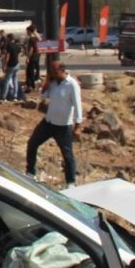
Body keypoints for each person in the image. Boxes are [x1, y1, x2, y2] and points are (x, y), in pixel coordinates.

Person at [26, 60, 84, 189]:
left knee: (67, 154)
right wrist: (47, 81)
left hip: (63, 126)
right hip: (49, 122)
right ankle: (30, 172)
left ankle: (70, 182)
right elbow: (43, 95)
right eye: (50, 71)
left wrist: (78, 125)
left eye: (54, 71)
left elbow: (78, 106)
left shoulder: (72, 85)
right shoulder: (53, 83)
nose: (51, 73)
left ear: (62, 70)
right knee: (32, 143)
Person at [1, 34, 22, 102]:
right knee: (15, 80)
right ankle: (15, 96)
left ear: (9, 39)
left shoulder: (8, 46)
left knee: (7, 80)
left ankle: (4, 96)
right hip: (17, 64)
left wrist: (4, 65)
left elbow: (7, 56)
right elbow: (20, 52)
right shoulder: (16, 46)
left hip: (11, 65)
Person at [24, 25, 42, 92]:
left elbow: (31, 49)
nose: (26, 32)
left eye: (27, 31)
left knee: (29, 71)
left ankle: (31, 86)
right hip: (37, 56)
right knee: (33, 70)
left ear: (29, 31)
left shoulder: (31, 39)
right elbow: (40, 39)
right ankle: (33, 84)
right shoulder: (37, 38)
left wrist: (28, 58)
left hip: (32, 56)